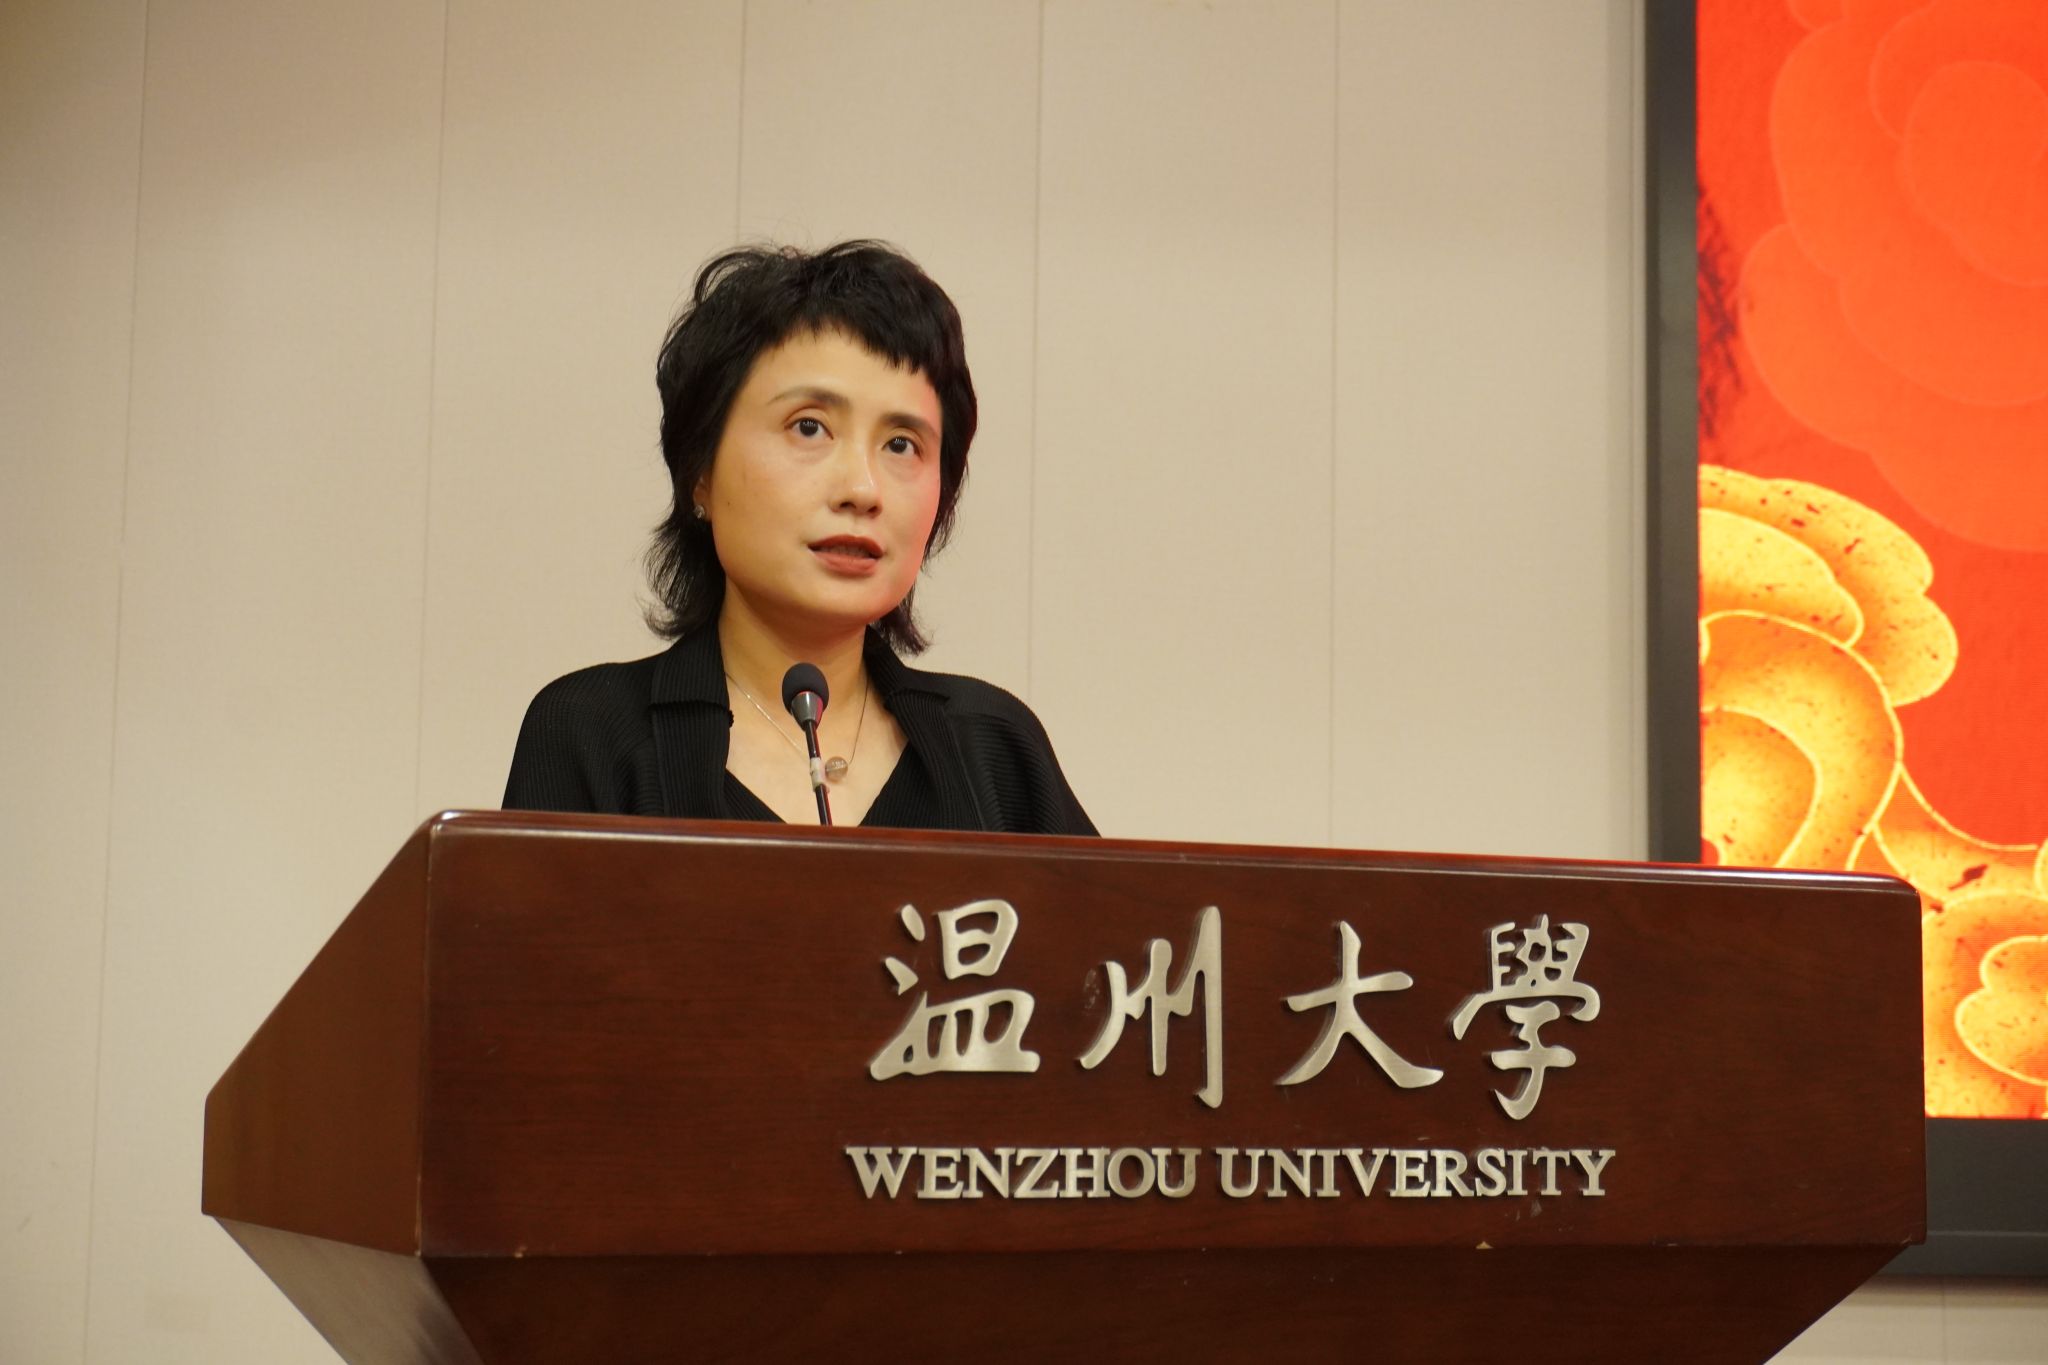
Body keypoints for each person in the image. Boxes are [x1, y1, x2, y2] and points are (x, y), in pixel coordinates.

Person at [503, 241, 1095, 835]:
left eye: (901, 445)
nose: (862, 490)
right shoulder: (591, 732)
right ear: (700, 470)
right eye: (809, 427)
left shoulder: (995, 748)